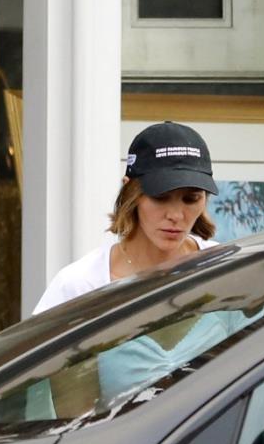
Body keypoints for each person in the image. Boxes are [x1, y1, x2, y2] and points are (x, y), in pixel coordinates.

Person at [32, 120, 219, 313]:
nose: (175, 215)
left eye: (191, 199)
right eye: (160, 197)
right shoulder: (81, 285)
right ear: (130, 191)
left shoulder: (224, 269)